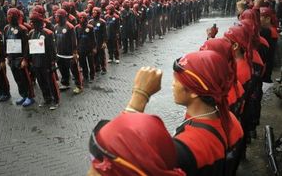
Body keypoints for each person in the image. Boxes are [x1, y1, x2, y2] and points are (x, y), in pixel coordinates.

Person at [90, 50, 243, 176]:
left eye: (177, 80)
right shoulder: (231, 120)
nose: (172, 84)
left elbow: (114, 149)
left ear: (194, 93)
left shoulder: (185, 148)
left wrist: (140, 94)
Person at [28, 12, 60, 110]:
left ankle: (56, 100)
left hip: (46, 63)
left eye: (33, 22)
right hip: (36, 62)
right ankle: (47, 98)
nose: (31, 24)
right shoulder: (31, 33)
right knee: (41, 82)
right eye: (31, 22)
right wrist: (30, 61)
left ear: (38, 22)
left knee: (51, 82)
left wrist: (53, 63)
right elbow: (30, 48)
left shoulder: (48, 33)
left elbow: (52, 49)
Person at [4, 8, 35, 107]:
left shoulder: (23, 29)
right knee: (18, 79)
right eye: (8, 15)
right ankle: (23, 95)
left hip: (20, 59)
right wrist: (7, 57)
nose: (8, 17)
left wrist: (25, 59)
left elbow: (27, 45)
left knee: (25, 79)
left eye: (10, 16)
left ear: (15, 17)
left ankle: (30, 97)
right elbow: (6, 43)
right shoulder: (6, 28)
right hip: (12, 59)